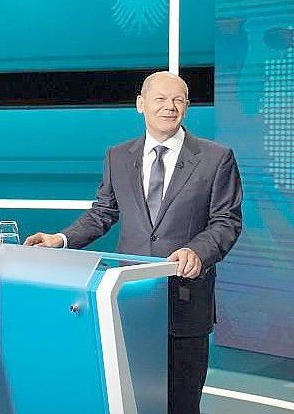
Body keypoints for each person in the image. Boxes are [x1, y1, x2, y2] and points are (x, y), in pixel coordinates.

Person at [25, 71, 243, 414]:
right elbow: (103, 213)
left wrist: (197, 251)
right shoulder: (118, 156)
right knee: (129, 402)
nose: (169, 107)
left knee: (180, 405)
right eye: (160, 99)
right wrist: (61, 239)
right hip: (129, 300)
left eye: (178, 100)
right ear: (141, 104)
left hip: (184, 302)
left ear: (187, 106)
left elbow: (226, 221)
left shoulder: (217, 157)